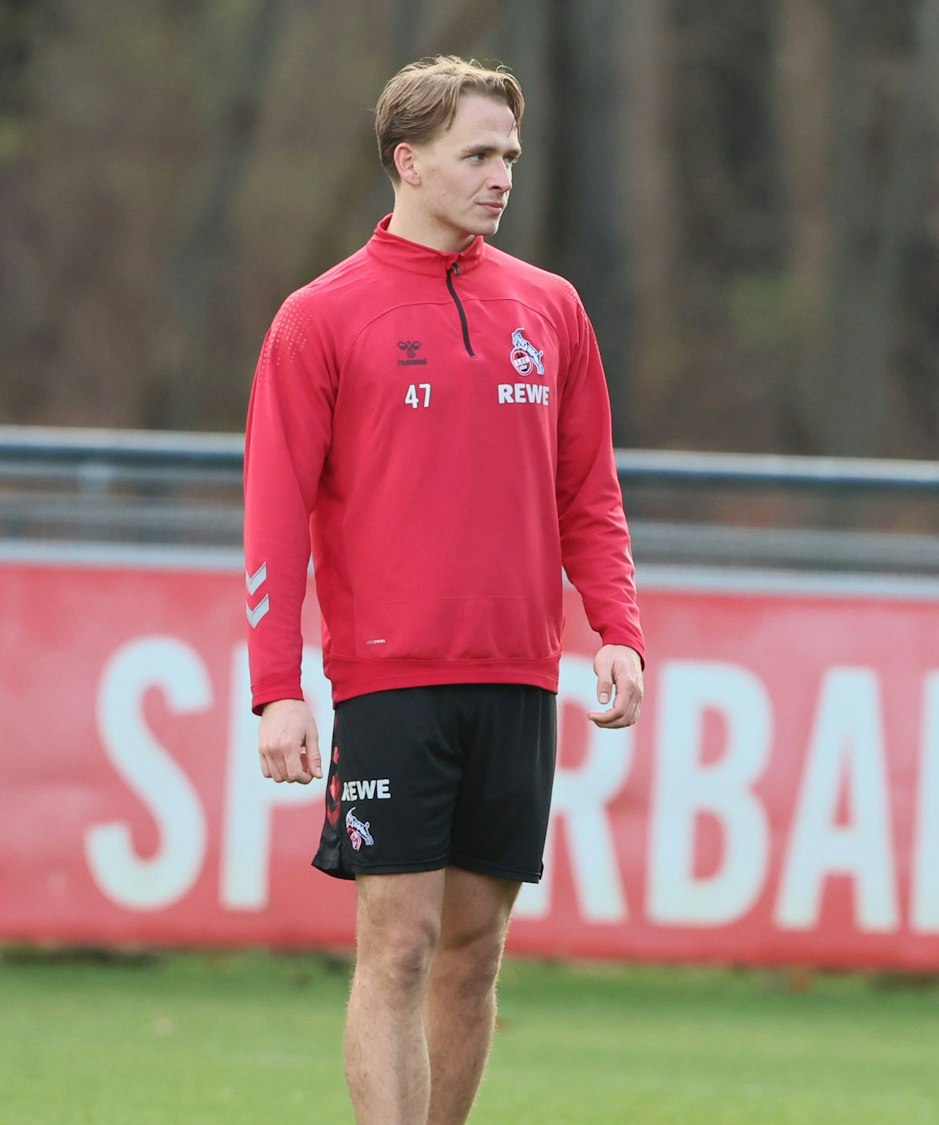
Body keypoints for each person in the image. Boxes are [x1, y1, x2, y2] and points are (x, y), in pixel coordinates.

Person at [243, 56, 645, 1124]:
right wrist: (275, 687)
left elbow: (589, 495)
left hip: (518, 676)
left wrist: (617, 629)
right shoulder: (319, 318)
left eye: (510, 154)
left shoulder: (551, 309)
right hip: (391, 684)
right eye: (477, 154)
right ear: (407, 160)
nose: (500, 174)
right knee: (400, 947)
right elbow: (274, 518)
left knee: (473, 954)